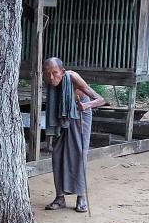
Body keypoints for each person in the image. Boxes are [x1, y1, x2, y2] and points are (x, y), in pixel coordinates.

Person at [42, 57, 105, 213]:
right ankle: (60, 197)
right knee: (57, 155)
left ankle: (81, 196)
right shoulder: (49, 81)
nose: (51, 78)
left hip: (80, 115)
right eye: (47, 73)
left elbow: (100, 99)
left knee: (79, 153)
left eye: (55, 73)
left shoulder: (72, 77)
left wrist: (86, 104)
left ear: (62, 72)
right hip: (61, 118)